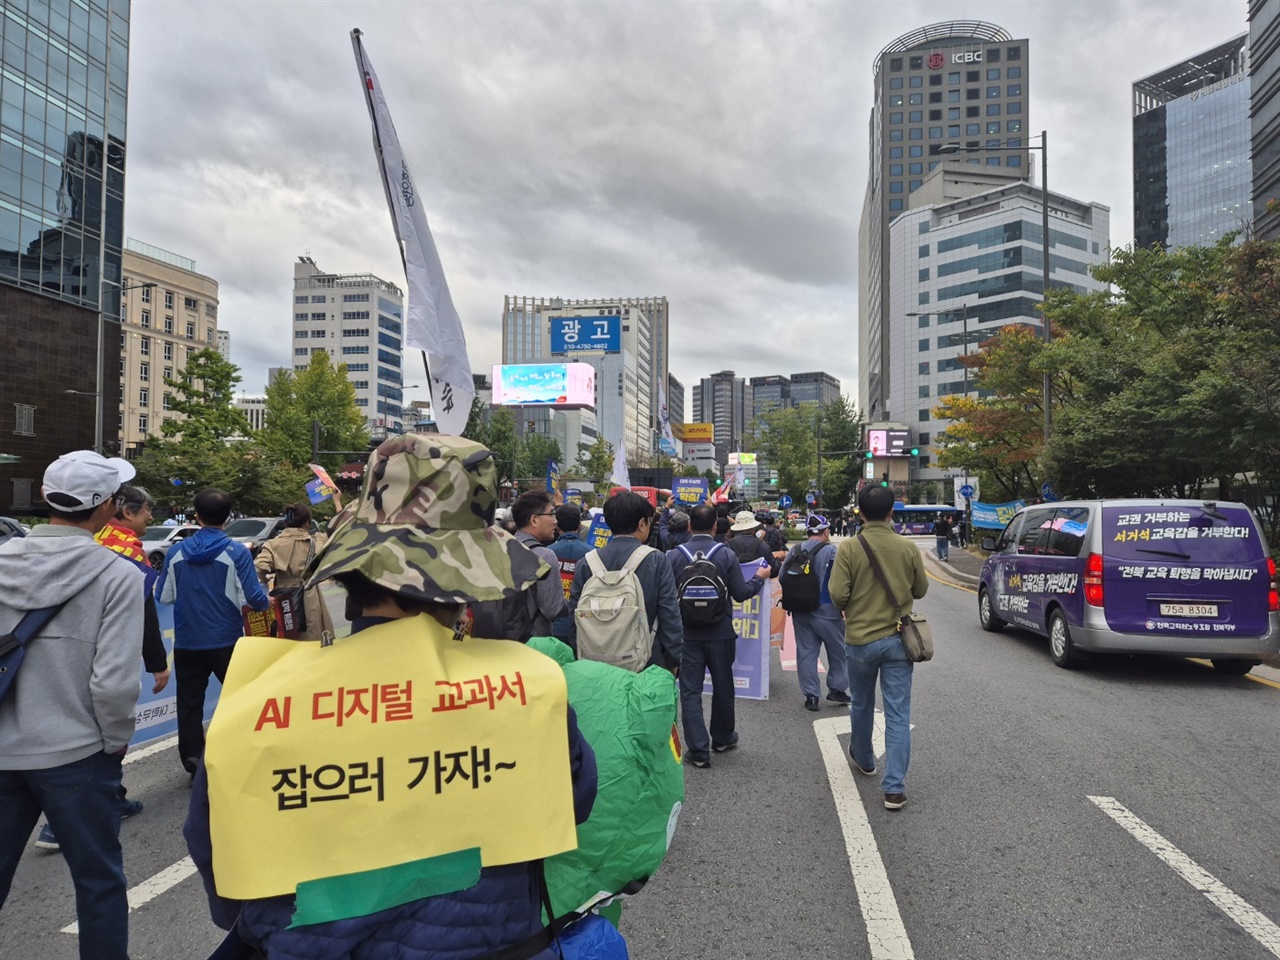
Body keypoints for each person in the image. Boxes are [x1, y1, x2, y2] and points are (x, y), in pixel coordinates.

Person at [184, 434, 599, 959]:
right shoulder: (525, 687)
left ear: (353, 573)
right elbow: (574, 802)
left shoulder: (258, 703)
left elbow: (213, 841)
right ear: (464, 583)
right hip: (484, 939)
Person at [0, 451, 145, 960]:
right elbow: (112, 682)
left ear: (45, 497)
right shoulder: (119, 575)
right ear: (107, 507)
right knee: (98, 884)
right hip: (77, 752)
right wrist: (113, 741)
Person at [35, 483, 169, 853]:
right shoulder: (125, 552)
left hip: (52, 655)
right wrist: (157, 662)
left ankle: (114, 796)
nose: (150, 519)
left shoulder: (86, 538)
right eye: (146, 513)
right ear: (123, 510)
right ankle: (58, 825)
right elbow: (144, 610)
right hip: (100, 654)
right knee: (97, 737)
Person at [828, 485, 928, 811]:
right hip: (899, 640)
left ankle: (866, 759)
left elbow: (837, 595)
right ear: (891, 512)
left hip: (860, 640)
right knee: (898, 713)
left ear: (859, 512)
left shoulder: (849, 548)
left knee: (861, 703)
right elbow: (921, 589)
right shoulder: (907, 547)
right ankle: (895, 788)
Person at [156, 487, 269, 776]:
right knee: (240, 700)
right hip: (227, 640)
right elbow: (255, 599)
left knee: (190, 704)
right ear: (229, 516)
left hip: (187, 641)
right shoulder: (236, 552)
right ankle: (240, 753)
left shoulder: (176, 551)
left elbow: (163, 596)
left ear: (196, 516)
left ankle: (193, 758)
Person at [668, 503, 767, 768]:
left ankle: (698, 750)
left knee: (689, 691)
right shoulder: (724, 554)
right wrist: (759, 577)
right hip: (721, 633)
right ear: (715, 527)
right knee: (723, 686)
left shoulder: (674, 556)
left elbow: (666, 600)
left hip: (686, 635)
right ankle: (722, 738)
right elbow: (741, 593)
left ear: (689, 526)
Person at [569, 490, 682, 671]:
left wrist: (579, 653)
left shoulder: (587, 562)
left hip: (594, 663)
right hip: (645, 662)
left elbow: (573, 614)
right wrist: (674, 658)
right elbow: (669, 614)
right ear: (641, 523)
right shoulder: (656, 560)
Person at [786, 514, 852, 712]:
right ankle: (837, 688)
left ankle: (811, 696)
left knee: (806, 652)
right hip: (827, 610)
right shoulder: (833, 551)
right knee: (839, 651)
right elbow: (842, 581)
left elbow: (782, 577)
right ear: (825, 532)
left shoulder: (795, 550)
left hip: (800, 610)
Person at [253, 502, 333, 642]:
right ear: (307, 523)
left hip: (283, 596)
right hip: (309, 593)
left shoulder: (273, 544)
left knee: (286, 636)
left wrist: (265, 580)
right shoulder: (315, 542)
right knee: (312, 638)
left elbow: (260, 567)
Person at [511, 490, 568, 637]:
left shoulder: (499, 549)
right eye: (551, 514)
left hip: (498, 641)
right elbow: (552, 609)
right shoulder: (544, 556)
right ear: (534, 520)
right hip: (533, 643)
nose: (555, 521)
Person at [548, 503, 591, 651]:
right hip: (584, 624)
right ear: (579, 524)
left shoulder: (547, 553)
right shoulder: (593, 554)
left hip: (553, 626)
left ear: (557, 525)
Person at [726, 510, 781, 576]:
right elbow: (774, 571)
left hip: (733, 585)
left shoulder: (727, 545)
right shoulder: (762, 545)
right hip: (759, 585)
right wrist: (778, 561)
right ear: (753, 527)